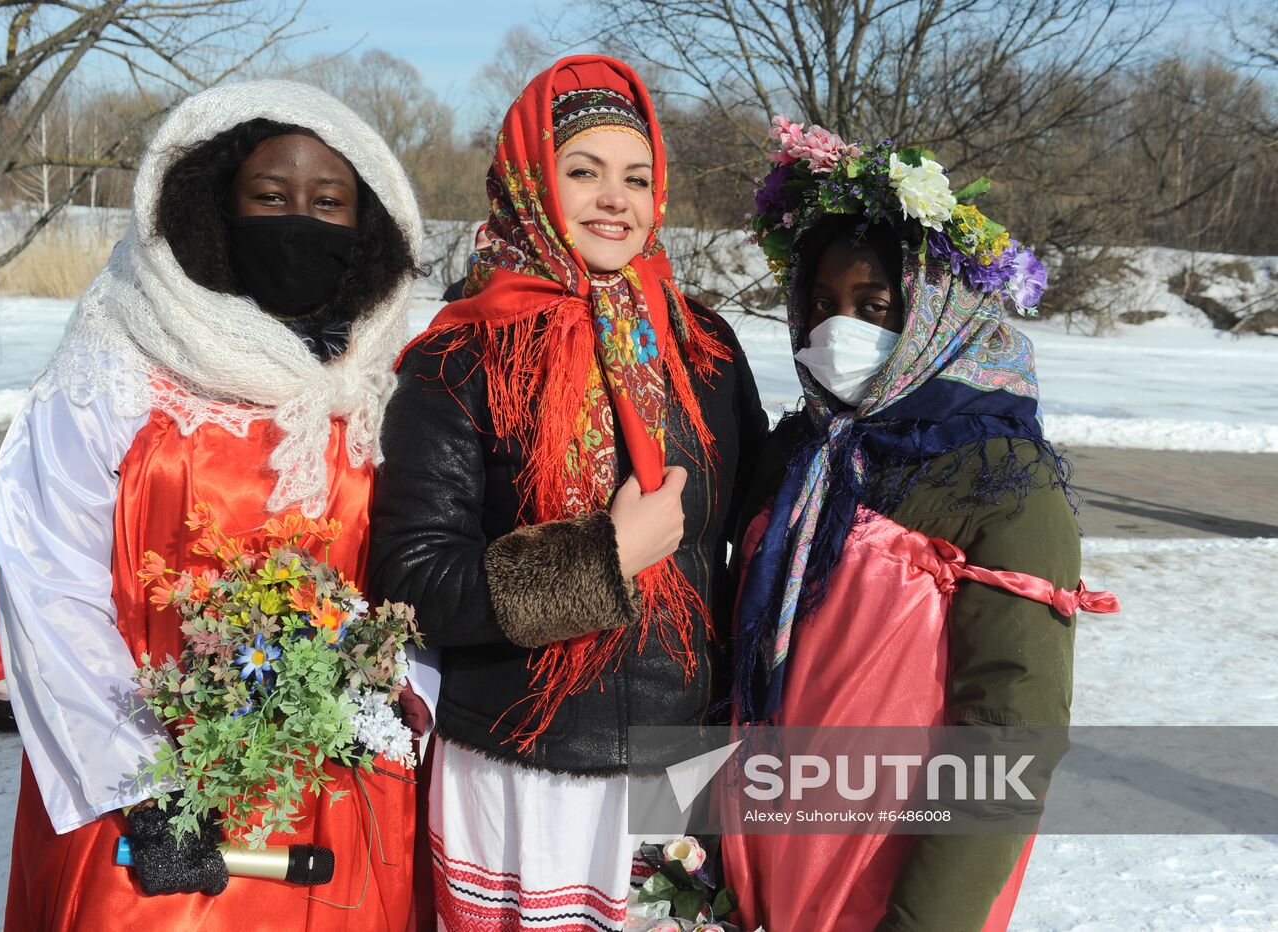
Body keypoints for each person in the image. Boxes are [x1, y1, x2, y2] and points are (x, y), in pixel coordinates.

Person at [0, 80, 437, 931]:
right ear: (214, 207)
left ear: (367, 225)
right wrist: (140, 780)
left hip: (335, 789)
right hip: (154, 777)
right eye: (270, 197)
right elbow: (48, 573)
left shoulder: (380, 384)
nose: (299, 216)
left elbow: (406, 574)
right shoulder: (120, 357)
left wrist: (391, 701)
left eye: (328, 201)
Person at [368, 56, 766, 930]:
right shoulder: (459, 355)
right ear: (529, 182)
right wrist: (604, 559)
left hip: (679, 755)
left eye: (637, 178)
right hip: (526, 766)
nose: (614, 200)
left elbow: (759, 522)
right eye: (582, 172)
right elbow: (414, 582)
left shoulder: (705, 346)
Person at [721, 125, 1118, 931]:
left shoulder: (1003, 481)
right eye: (823, 306)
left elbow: (1011, 729)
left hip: (885, 880)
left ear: (936, 310)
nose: (841, 331)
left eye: (874, 307)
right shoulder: (802, 451)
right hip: (754, 865)